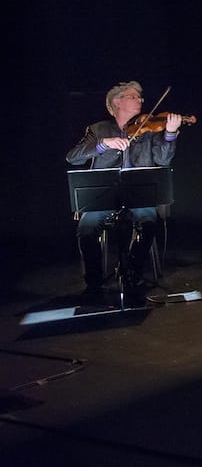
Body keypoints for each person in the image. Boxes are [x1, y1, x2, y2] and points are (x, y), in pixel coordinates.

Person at [66, 81, 183, 302]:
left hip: (138, 195)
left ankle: (131, 272)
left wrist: (169, 134)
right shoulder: (98, 129)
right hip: (104, 196)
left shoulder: (148, 129)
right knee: (87, 228)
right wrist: (103, 145)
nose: (140, 100)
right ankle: (93, 282)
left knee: (149, 221)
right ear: (117, 102)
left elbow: (163, 160)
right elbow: (73, 157)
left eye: (140, 97)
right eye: (133, 96)